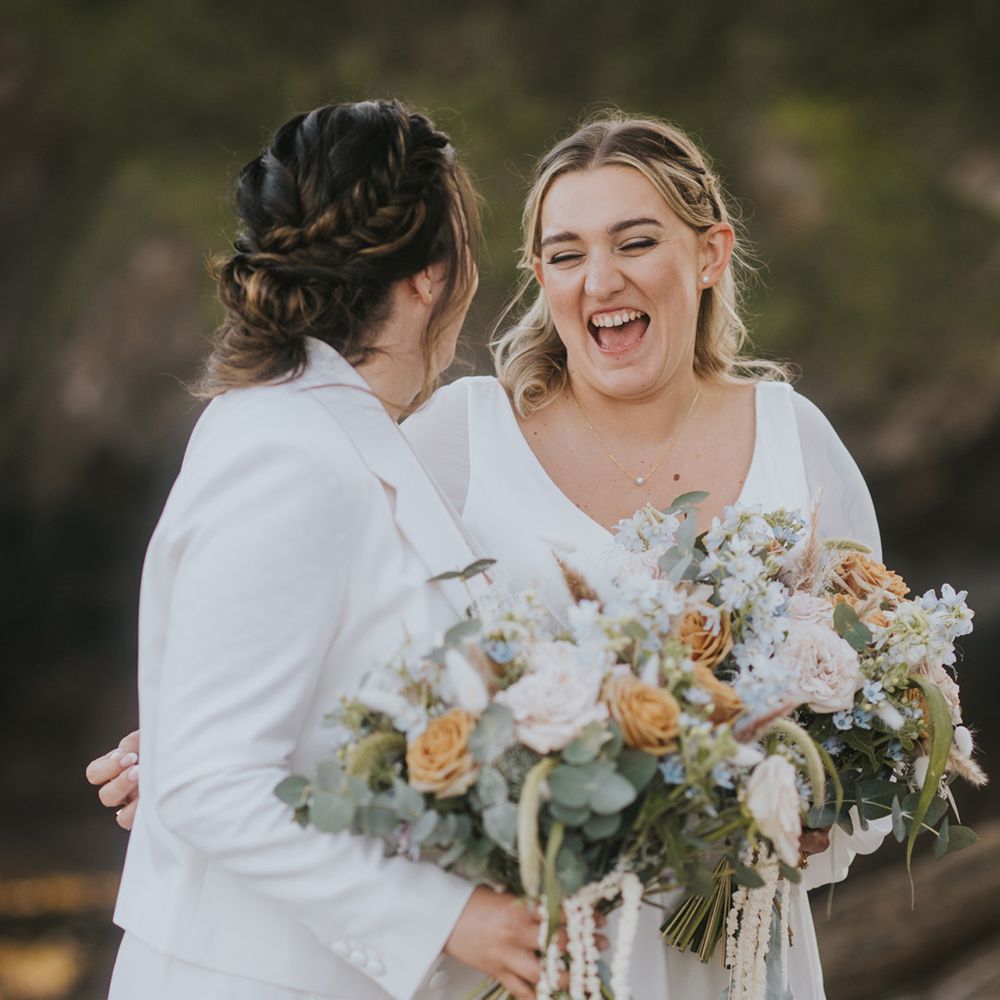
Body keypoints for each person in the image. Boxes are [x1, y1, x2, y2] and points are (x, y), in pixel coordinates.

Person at [90, 112, 888, 998]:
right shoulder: (444, 439)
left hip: (733, 944)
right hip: (528, 947)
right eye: (565, 252)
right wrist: (184, 757)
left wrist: (816, 806)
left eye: (634, 240)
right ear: (481, 276)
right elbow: (315, 667)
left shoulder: (796, 441)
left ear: (709, 254)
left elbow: (875, 700)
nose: (601, 278)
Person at [95, 99, 569, 1000]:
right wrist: (450, 919)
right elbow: (207, 784)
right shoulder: (286, 452)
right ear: (431, 274)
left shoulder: (336, 432)